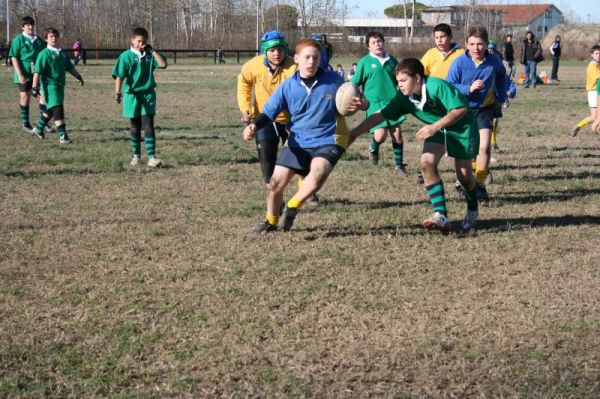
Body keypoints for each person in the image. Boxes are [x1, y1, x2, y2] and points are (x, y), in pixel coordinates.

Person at [349, 58, 479, 233]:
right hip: (438, 130)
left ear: (417, 78)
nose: (400, 85)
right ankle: (440, 215)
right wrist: (354, 134)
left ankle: (472, 207)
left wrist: (435, 126)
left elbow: (460, 109)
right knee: (426, 162)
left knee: (464, 177)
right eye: (398, 81)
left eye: (403, 81)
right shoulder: (403, 98)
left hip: (462, 128)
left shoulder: (436, 86)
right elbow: (380, 115)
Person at [243, 38, 353, 233]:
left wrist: (361, 104)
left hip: (329, 138)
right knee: (275, 183)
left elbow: (357, 101)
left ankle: (293, 206)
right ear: (297, 59)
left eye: (315, 57)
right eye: (307, 57)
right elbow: (269, 112)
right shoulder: (287, 86)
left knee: (318, 171)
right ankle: (270, 221)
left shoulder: (335, 80)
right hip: (298, 140)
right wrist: (253, 125)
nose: (311, 61)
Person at [447, 26, 508, 201]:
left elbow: (503, 78)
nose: (476, 48)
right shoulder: (459, 62)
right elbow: (449, 85)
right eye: (472, 44)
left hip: (484, 109)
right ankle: (461, 183)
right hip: (462, 110)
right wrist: (468, 88)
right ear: (466, 44)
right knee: (465, 150)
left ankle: (480, 184)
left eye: (480, 44)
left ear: (486, 44)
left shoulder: (494, 61)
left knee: (484, 146)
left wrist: (501, 96)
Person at [237, 30, 297, 188]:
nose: (277, 54)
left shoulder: (295, 67)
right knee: (266, 159)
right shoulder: (252, 66)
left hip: (293, 120)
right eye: (272, 50)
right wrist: (245, 108)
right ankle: (274, 196)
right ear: (265, 51)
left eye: (280, 49)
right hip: (264, 118)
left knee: (301, 159)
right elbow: (243, 85)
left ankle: (309, 193)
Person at [351, 31, 408, 176]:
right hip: (374, 104)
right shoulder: (365, 62)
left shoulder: (392, 61)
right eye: (373, 43)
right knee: (381, 135)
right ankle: (373, 147)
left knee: (397, 134)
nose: (377, 44)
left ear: (383, 43)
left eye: (379, 41)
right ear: (368, 47)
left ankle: (399, 166)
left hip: (392, 103)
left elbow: (399, 80)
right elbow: (354, 83)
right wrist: (357, 97)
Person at [112, 27, 167, 167]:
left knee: (148, 124)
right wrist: (118, 92)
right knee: (135, 126)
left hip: (148, 95)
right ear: (132, 40)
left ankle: (151, 157)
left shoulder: (149, 55)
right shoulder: (125, 56)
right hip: (132, 96)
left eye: (144, 41)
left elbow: (163, 64)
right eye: (138, 41)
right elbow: (119, 76)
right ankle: (136, 155)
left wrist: (153, 51)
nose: (141, 44)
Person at [417, 23, 464, 184]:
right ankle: (428, 167)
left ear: (450, 37)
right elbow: (420, 74)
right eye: (436, 37)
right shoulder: (430, 54)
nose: (439, 40)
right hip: (436, 104)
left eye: (442, 37)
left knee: (456, 136)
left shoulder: (461, 54)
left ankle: (462, 176)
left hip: (454, 102)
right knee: (436, 133)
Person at [30, 27, 84, 143]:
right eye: (51, 36)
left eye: (55, 36)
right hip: (49, 86)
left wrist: (79, 76)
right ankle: (63, 136)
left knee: (51, 110)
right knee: (58, 109)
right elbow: (37, 71)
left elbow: (70, 67)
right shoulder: (44, 54)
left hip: (60, 86)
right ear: (46, 39)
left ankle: (39, 129)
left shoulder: (62, 53)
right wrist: (34, 88)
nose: (54, 38)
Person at [8, 16, 48, 133]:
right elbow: (14, 57)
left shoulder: (39, 40)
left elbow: (45, 54)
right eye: (27, 25)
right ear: (23, 27)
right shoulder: (18, 39)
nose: (30, 27)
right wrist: (20, 74)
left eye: (32, 24)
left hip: (38, 73)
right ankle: (26, 124)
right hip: (24, 72)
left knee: (43, 96)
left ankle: (43, 123)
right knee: (25, 96)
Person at [571, 45, 600, 137]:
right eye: (596, 53)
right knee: (595, 117)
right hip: (594, 92)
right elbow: (598, 77)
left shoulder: (597, 64)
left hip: (596, 91)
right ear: (592, 54)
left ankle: (580, 126)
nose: (598, 55)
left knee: (595, 117)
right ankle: (583, 126)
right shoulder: (593, 65)